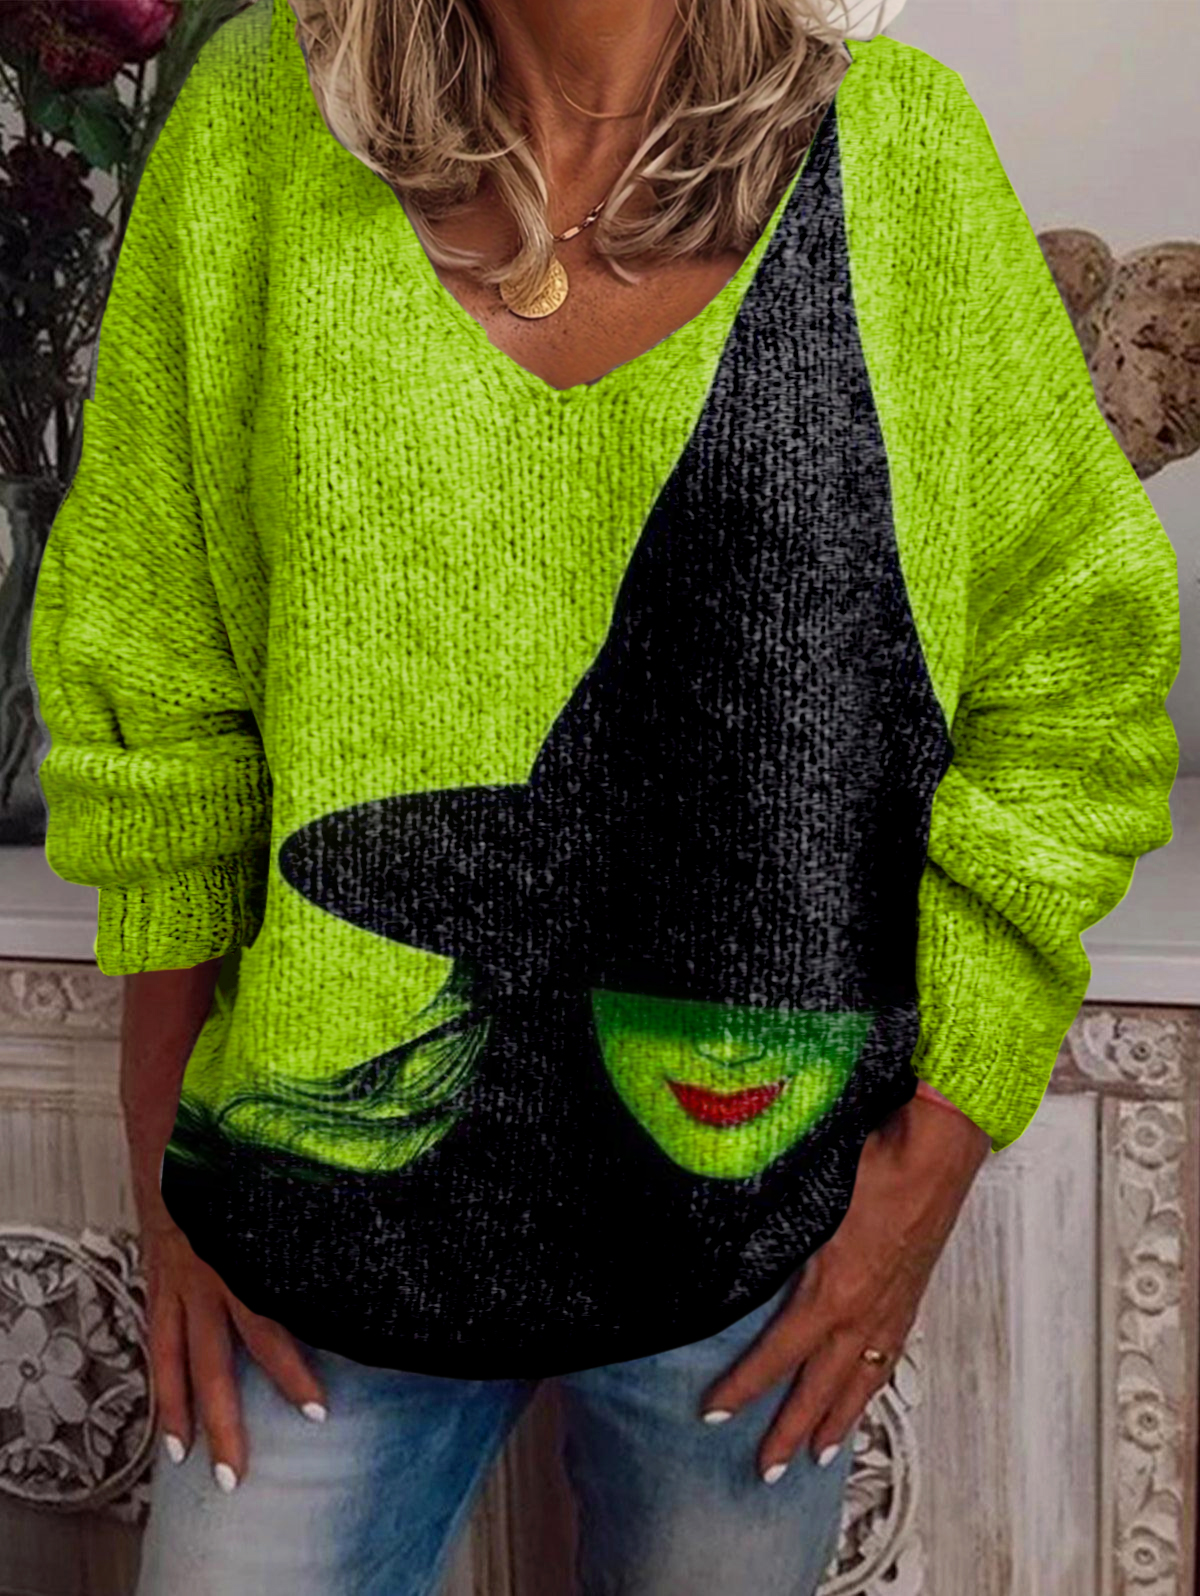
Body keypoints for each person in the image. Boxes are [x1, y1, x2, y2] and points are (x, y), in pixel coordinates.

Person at [26, 0, 1180, 1590]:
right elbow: (157, 669)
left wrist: (939, 1151)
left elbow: (1075, 668)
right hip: (319, 1197)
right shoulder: (255, 126)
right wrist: (166, 1166)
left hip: (758, 1237)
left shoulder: (896, 152)